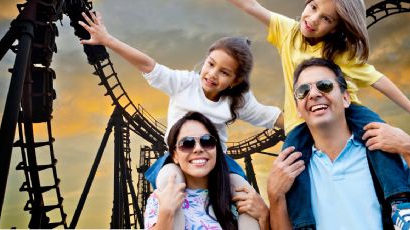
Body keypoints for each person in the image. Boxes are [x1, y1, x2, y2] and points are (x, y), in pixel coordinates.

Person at [78, 11, 279, 229]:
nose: (212, 74)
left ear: (234, 81)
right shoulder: (185, 83)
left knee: (244, 192)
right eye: (210, 64)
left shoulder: (237, 102)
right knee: (171, 184)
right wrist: (108, 40)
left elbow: (272, 116)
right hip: (176, 160)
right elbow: (148, 66)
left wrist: (313, 118)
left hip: (219, 162)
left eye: (224, 72)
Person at [226, 0, 410, 228]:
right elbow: (251, 6)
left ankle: (400, 202)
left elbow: (379, 81)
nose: (314, 19)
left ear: (336, 28)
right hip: (297, 123)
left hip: (352, 111)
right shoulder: (288, 32)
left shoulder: (339, 53)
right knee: (289, 168)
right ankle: (303, 224)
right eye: (313, 8)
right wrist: (275, 196)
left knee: (379, 136)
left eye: (326, 18)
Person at [267, 57, 409, 229]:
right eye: (303, 91)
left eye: (324, 85)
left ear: (346, 98)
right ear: (297, 110)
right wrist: (275, 197)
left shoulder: (384, 151)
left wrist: (408, 147)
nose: (313, 94)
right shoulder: (292, 172)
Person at [144, 111, 238, 230]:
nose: (198, 149)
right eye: (187, 143)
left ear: (217, 150)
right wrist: (166, 212)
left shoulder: (237, 197)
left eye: (207, 141)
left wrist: (264, 215)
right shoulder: (159, 198)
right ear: (175, 156)